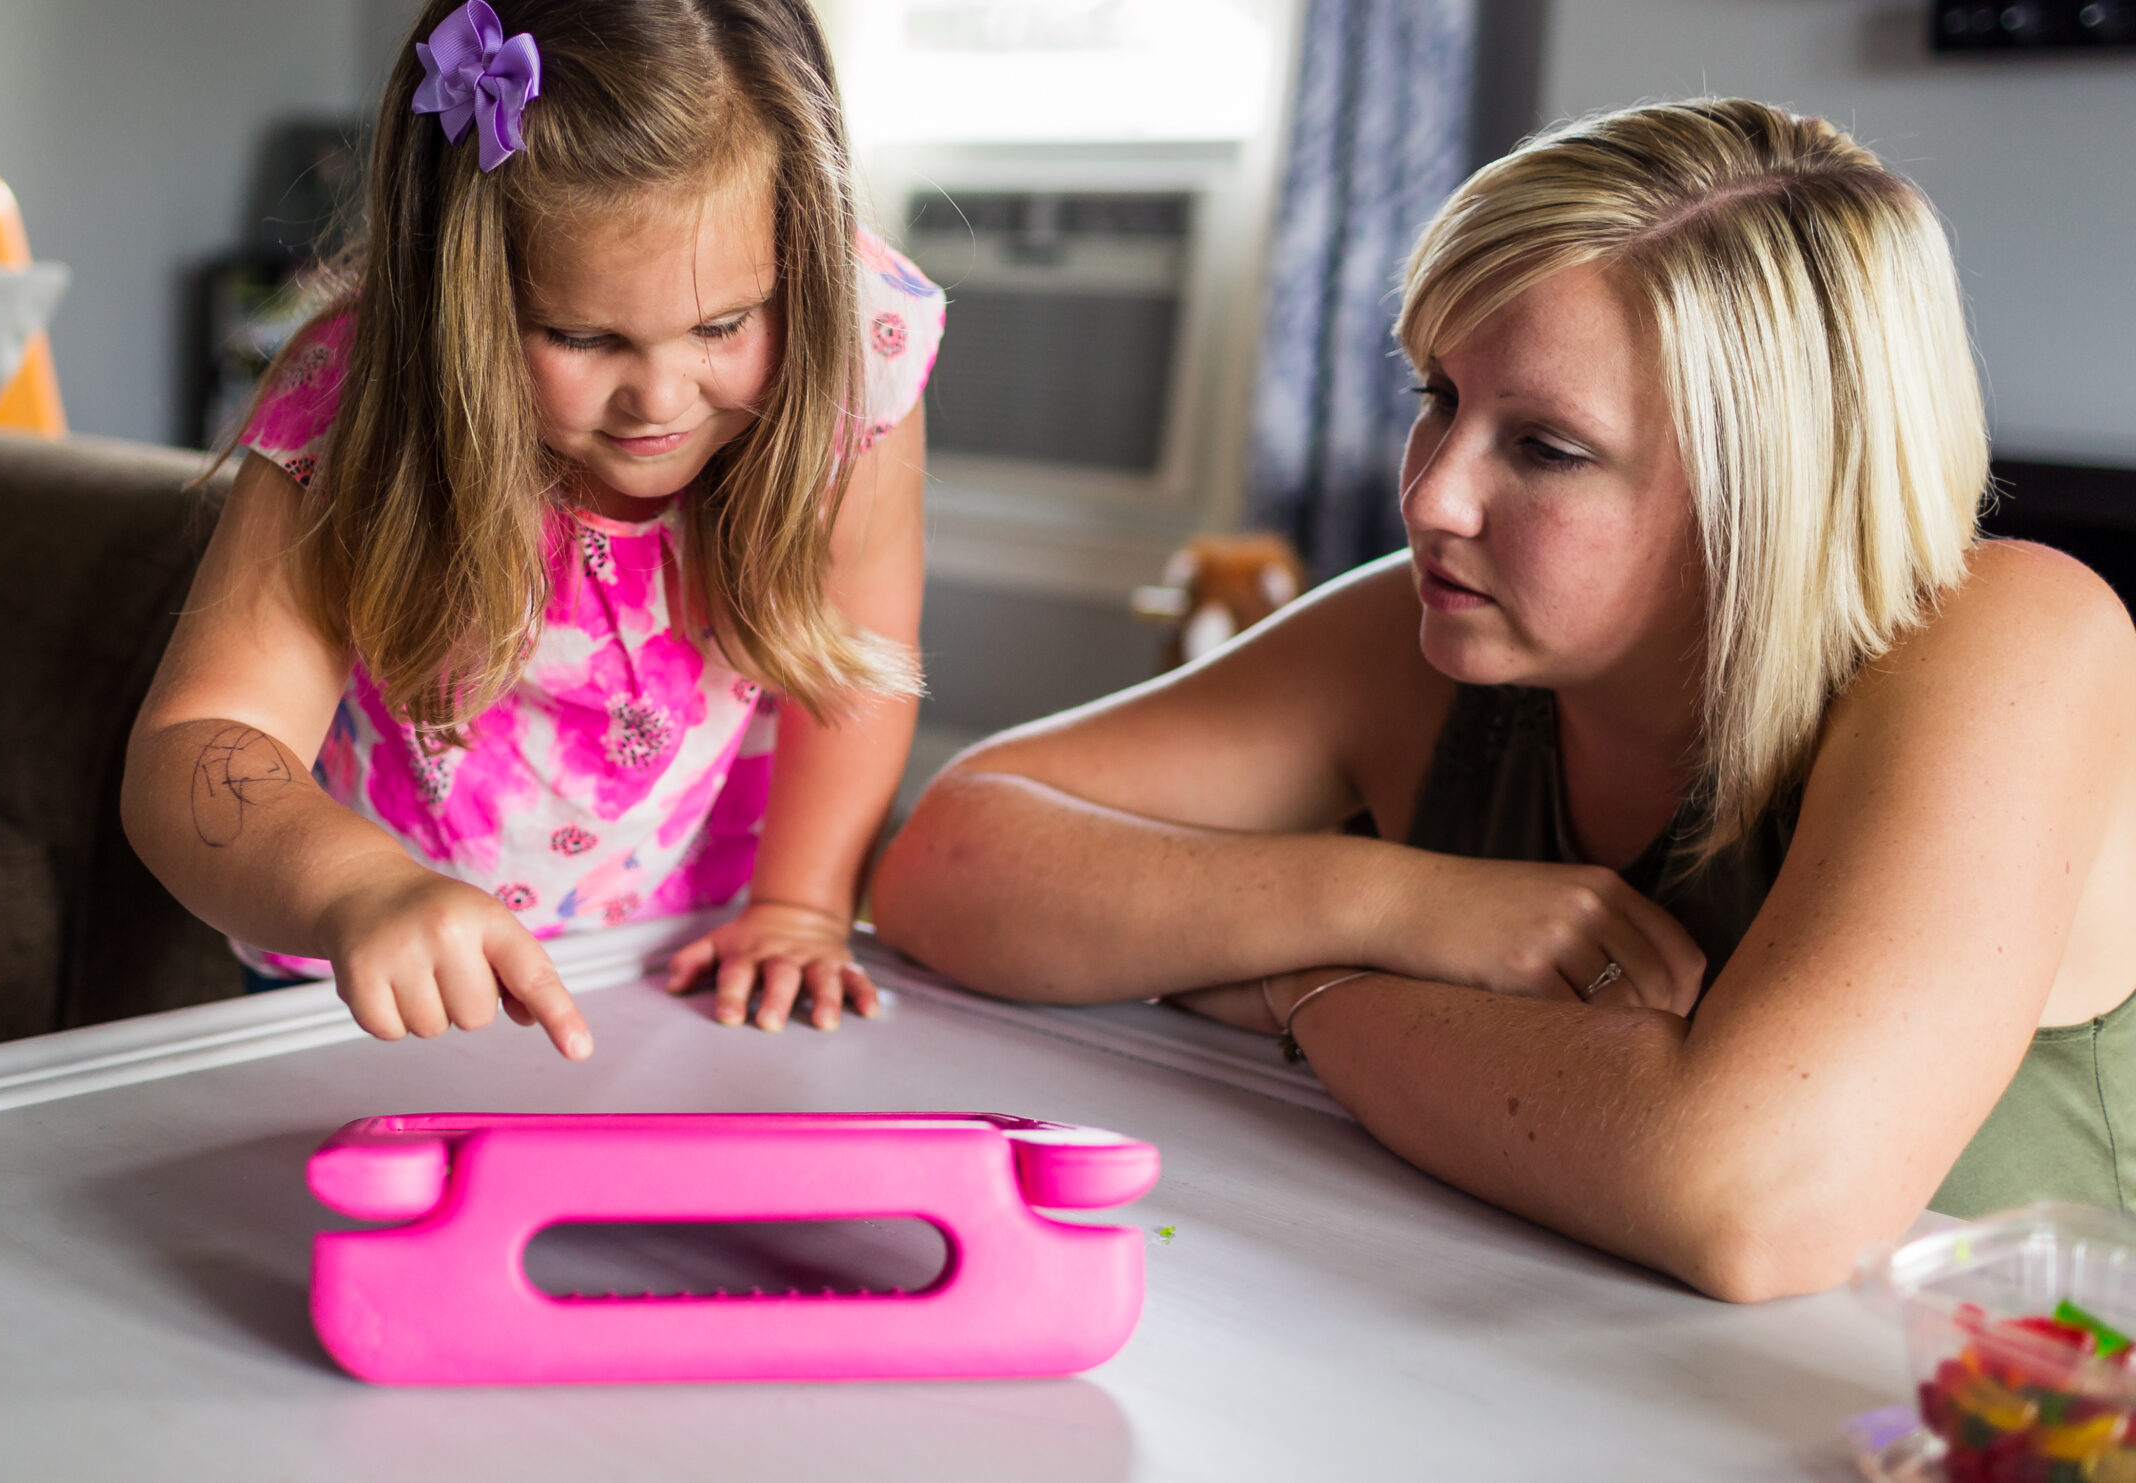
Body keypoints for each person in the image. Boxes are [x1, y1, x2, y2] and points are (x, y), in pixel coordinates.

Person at [873, 98, 2136, 1302]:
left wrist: (1301, 989)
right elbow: (949, 861)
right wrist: (1399, 905)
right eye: (1440, 398)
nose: (1429, 498)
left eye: (1544, 448)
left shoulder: (2010, 638)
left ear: (1769, 491)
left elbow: (1754, 1198)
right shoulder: (1431, 631)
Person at [124, 0, 940, 1059]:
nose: (660, 398)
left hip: (699, 953)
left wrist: (803, 903)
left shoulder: (856, 349)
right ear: (465, 295)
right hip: (385, 981)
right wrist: (358, 890)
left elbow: (861, 655)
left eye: (723, 324)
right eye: (584, 339)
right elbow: (196, 744)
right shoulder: (349, 403)